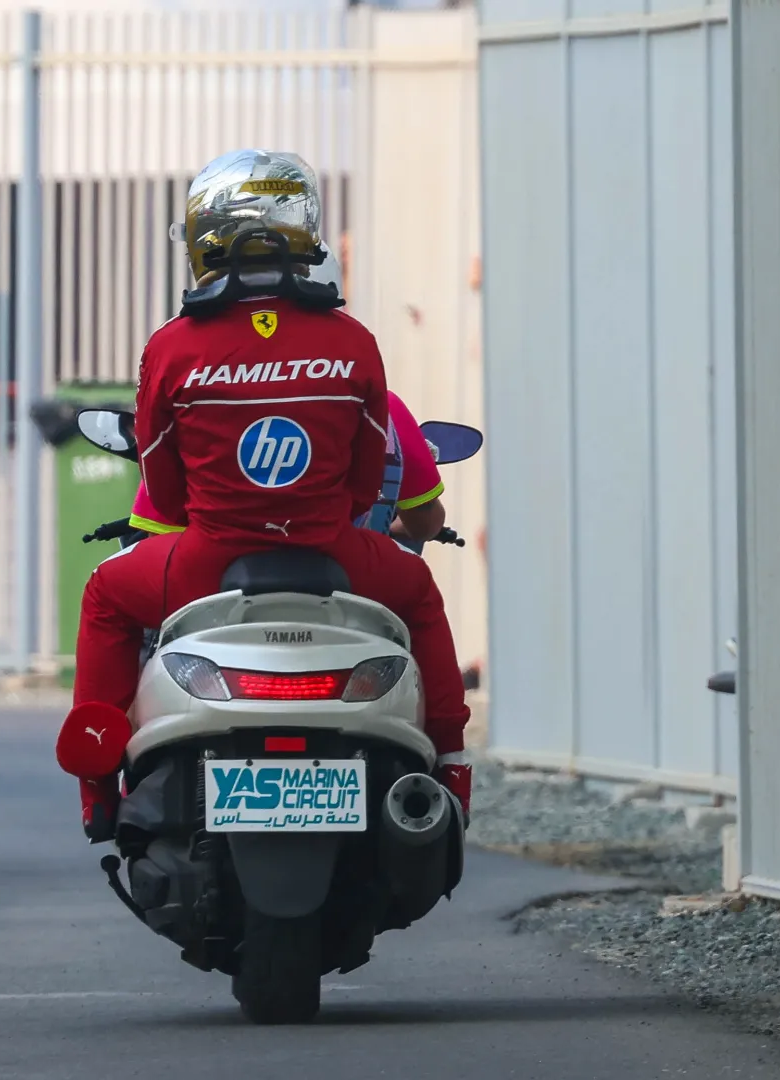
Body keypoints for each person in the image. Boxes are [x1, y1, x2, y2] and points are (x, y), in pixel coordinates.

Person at [56, 150, 472, 839]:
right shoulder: (351, 340)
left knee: (105, 595)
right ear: (306, 228)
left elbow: (164, 488)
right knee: (421, 596)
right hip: (336, 554)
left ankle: (99, 791)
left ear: (202, 237)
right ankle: (452, 768)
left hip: (207, 562)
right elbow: (367, 481)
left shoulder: (172, 347)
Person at [127, 390, 447, 545]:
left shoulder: (200, 401)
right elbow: (424, 523)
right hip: (352, 574)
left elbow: (159, 529)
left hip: (220, 574)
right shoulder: (382, 403)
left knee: (111, 591)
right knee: (421, 608)